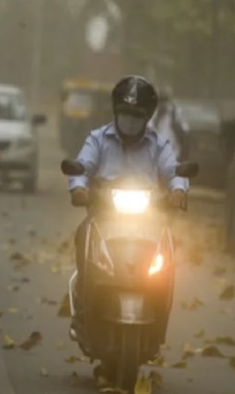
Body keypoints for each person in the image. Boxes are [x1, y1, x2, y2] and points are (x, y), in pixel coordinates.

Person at [67, 75, 189, 336]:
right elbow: (82, 166)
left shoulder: (159, 144)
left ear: (147, 117)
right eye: (125, 114)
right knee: (82, 234)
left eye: (136, 116)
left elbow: (174, 170)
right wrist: (78, 188)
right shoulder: (98, 139)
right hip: (103, 214)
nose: (130, 121)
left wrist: (178, 190)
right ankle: (83, 300)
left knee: (169, 248)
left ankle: (160, 309)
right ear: (115, 112)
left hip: (149, 219)